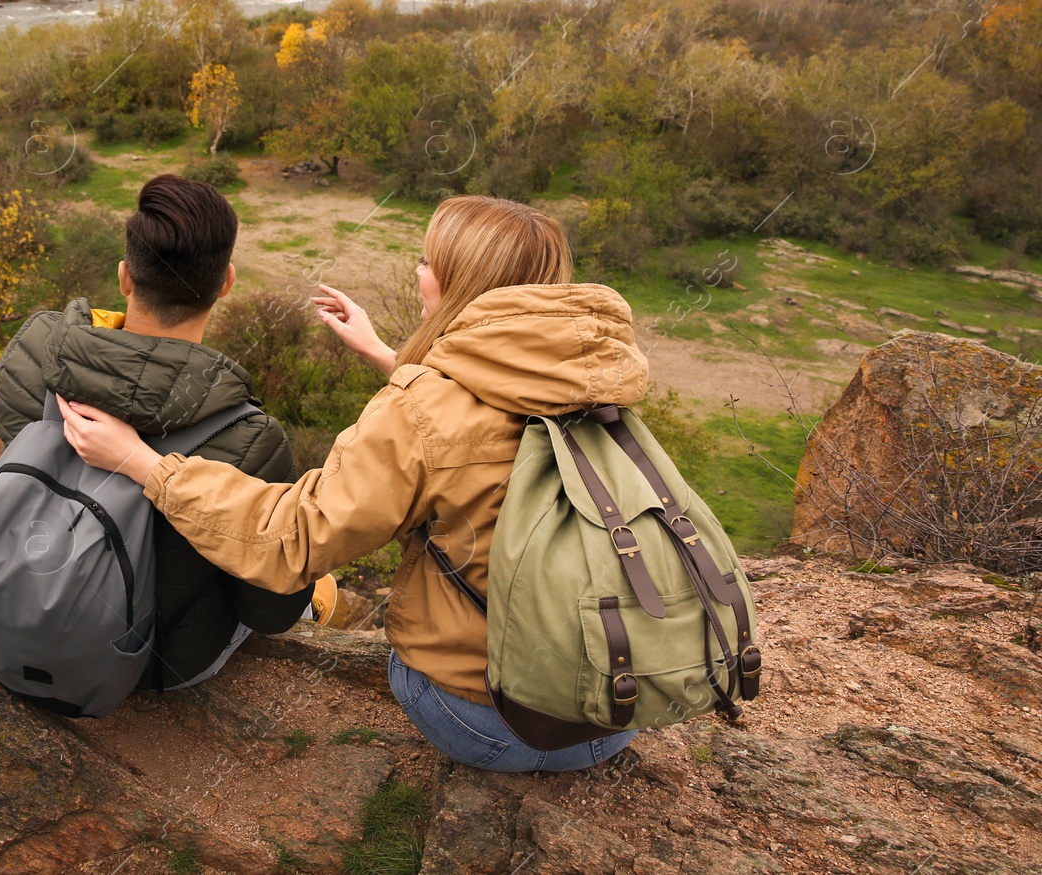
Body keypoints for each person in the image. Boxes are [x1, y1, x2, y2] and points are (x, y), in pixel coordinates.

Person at [56, 195, 650, 771]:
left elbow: (294, 540)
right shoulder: (592, 380)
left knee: (403, 659)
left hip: (497, 727)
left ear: (456, 283)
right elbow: (479, 430)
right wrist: (386, 355)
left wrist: (141, 462)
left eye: (425, 262)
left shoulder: (418, 412)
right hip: (624, 705)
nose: (417, 273)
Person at [0, 173, 332, 694]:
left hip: (10, 609)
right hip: (153, 666)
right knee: (311, 583)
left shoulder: (39, 354)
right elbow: (268, 613)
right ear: (226, 283)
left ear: (125, 277)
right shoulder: (250, 439)